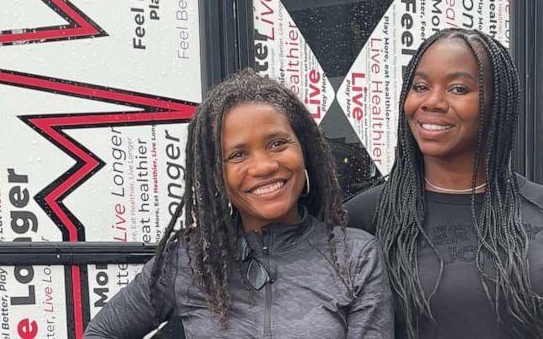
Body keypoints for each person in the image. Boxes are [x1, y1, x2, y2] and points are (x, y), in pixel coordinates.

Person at [346, 28, 543, 339]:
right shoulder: (365, 219)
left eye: (458, 89)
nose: (432, 101)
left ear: (496, 104)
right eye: (420, 86)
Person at [85, 69, 394, 338]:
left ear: (304, 149)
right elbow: (102, 332)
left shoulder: (355, 256)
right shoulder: (189, 259)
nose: (262, 166)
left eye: (277, 143)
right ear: (216, 173)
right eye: (237, 154)